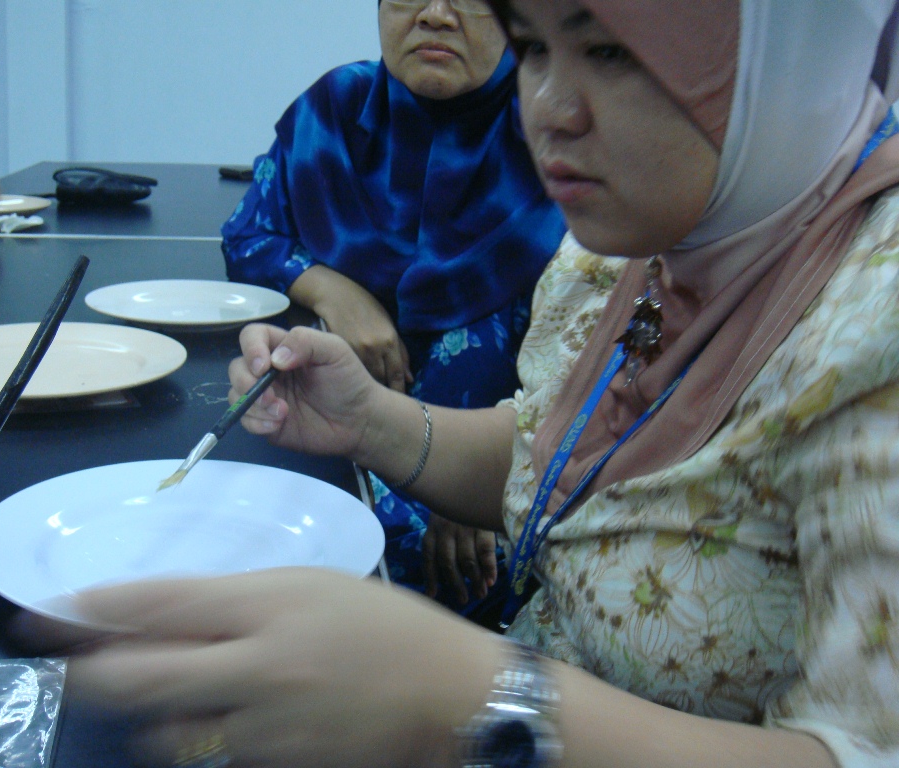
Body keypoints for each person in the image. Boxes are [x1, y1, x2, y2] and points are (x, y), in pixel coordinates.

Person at [63, 1, 899, 766]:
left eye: (609, 51)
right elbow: (564, 460)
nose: (550, 111)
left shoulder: (878, 327)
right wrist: (373, 420)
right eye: (535, 46)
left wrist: (467, 697)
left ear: (792, 52)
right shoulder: (636, 247)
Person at [222, 0, 566, 612]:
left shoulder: (559, 136)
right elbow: (248, 234)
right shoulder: (336, 110)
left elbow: (592, 365)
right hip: (336, 456)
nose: (436, 14)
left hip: (500, 501)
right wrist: (333, 290)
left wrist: (476, 484)